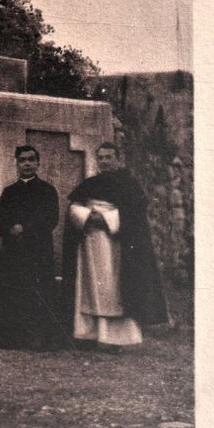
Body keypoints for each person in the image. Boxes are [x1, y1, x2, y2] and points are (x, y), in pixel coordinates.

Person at [62, 142, 168, 350]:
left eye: (109, 157)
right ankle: (89, 334)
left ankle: (115, 339)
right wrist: (85, 216)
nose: (104, 161)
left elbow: (135, 214)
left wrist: (108, 219)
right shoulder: (90, 183)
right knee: (90, 288)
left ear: (118, 159)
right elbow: (73, 206)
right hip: (91, 242)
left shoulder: (129, 184)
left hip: (115, 245)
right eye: (100, 157)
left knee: (113, 289)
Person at [0, 145, 61, 350]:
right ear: (17, 164)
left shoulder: (47, 191)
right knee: (14, 293)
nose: (27, 164)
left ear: (38, 164)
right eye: (22, 160)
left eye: (31, 160)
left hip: (38, 250)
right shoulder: (9, 191)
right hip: (14, 250)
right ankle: (13, 336)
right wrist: (9, 229)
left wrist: (26, 229)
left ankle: (39, 336)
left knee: (39, 292)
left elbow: (51, 218)